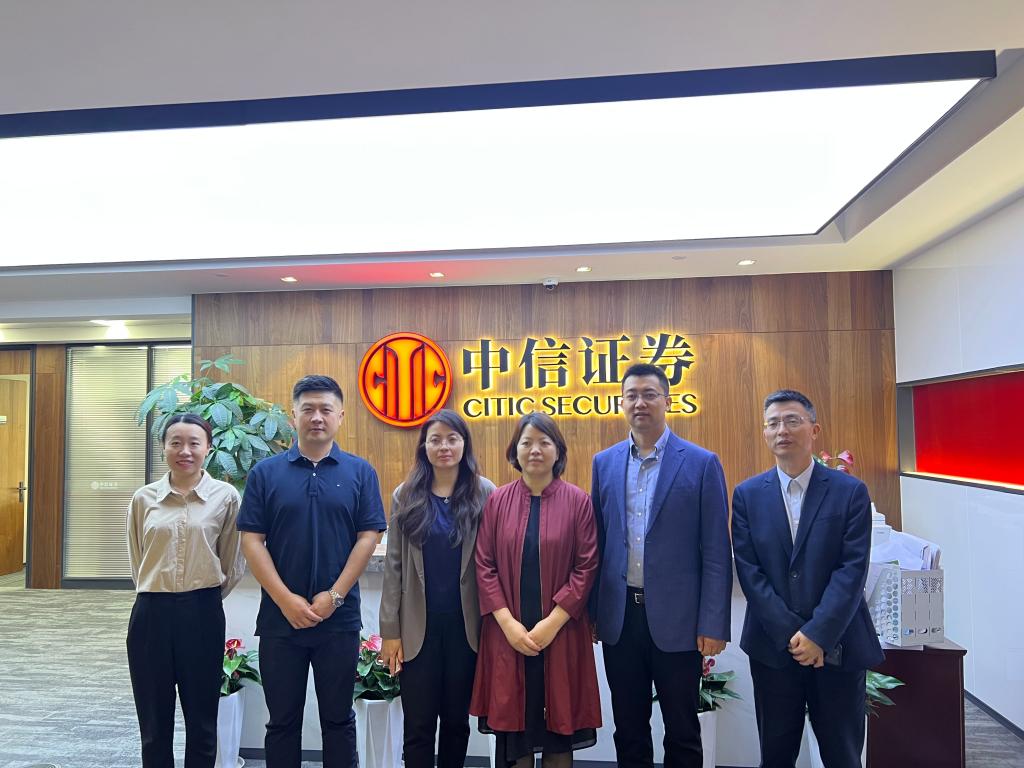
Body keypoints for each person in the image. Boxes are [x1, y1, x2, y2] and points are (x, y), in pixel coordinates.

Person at [238, 375, 386, 768]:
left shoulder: (360, 472)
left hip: (339, 621)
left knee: (338, 720)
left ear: (340, 416)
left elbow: (368, 537)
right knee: (281, 722)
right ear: (294, 416)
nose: (317, 417)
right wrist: (285, 600)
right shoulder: (265, 473)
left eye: (325, 409)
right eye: (308, 409)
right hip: (280, 621)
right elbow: (252, 541)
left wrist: (334, 596)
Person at [590, 363, 732, 768]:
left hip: (680, 622)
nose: (640, 402)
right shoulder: (605, 463)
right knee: (628, 729)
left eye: (649, 394)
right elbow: (597, 542)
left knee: (682, 730)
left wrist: (713, 623)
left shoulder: (701, 463)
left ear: (667, 401)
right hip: (621, 619)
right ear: (621, 403)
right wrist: (594, 612)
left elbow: (716, 550)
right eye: (632, 395)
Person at [732, 389, 883, 768]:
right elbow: (750, 571)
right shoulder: (747, 495)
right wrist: (791, 634)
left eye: (792, 421)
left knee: (842, 755)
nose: (782, 430)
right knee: (776, 755)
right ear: (765, 433)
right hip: (773, 649)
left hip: (838, 646)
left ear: (814, 430)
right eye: (773, 423)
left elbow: (851, 570)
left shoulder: (850, 492)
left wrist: (818, 634)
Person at [470, 413, 601, 768]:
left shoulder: (578, 501)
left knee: (559, 732)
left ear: (558, 451)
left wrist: (552, 623)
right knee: (515, 737)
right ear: (515, 451)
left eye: (545, 442)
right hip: (508, 636)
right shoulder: (497, 501)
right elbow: (484, 565)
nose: (535, 450)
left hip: (560, 635)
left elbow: (586, 567)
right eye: (527, 443)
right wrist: (508, 624)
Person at [378, 409, 496, 768]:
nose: (444, 446)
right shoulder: (406, 495)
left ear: (464, 444)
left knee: (457, 723)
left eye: (452, 439)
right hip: (418, 628)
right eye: (436, 439)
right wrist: (390, 632)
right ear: (424, 446)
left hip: (467, 627)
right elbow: (394, 566)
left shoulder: (485, 493)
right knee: (418, 724)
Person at [126, 413, 245, 768]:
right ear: (163, 447)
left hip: (202, 612)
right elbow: (137, 558)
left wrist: (202, 597)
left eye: (194, 443)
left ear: (208, 448)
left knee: (202, 721)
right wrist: (158, 589)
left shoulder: (225, 497)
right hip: (151, 613)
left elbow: (232, 562)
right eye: (175, 443)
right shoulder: (144, 498)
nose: (185, 451)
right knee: (153, 723)